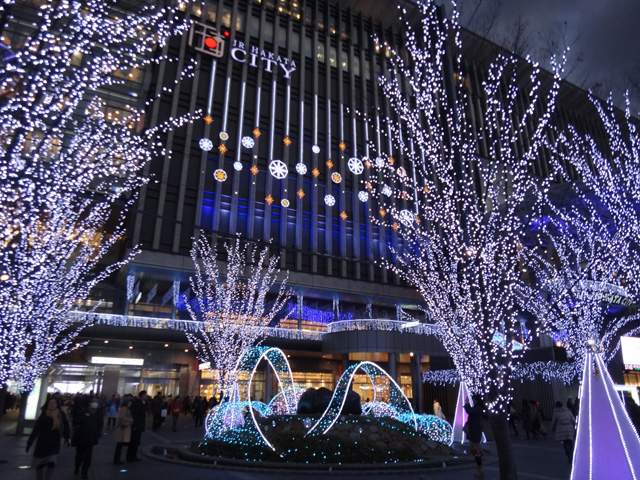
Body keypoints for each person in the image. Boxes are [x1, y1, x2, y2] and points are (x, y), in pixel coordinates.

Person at [26, 397, 71, 480]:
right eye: (50, 403)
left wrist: (67, 438)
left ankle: (47, 478)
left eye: (54, 403)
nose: (52, 405)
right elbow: (36, 429)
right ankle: (39, 478)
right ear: (47, 404)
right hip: (42, 442)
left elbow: (66, 426)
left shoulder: (60, 414)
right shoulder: (44, 414)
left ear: (57, 404)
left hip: (54, 442)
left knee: (52, 462)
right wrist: (30, 442)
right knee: (40, 462)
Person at [72, 396, 103, 479]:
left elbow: (100, 424)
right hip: (81, 436)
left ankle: (84, 471)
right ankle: (77, 467)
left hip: (91, 437)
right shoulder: (83, 411)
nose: (95, 403)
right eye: (94, 401)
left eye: (97, 402)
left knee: (88, 456)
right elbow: (77, 421)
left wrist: (98, 433)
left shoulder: (99, 413)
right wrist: (85, 416)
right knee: (79, 454)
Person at [464, 395, 485, 478]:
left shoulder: (478, 409)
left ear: (476, 400)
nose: (473, 400)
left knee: (477, 452)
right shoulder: (477, 408)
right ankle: (479, 469)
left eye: (473, 399)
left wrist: (466, 404)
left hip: (476, 433)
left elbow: (469, 411)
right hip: (474, 432)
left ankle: (480, 470)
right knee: (476, 452)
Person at [126, 390, 147, 462]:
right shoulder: (138, 403)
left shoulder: (143, 403)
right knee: (133, 441)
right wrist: (134, 425)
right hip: (136, 425)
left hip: (139, 425)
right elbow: (135, 415)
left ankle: (134, 456)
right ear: (142, 396)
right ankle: (129, 457)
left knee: (137, 441)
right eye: (145, 395)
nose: (146, 396)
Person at [113, 396, 133, 464]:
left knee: (120, 445)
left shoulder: (125, 408)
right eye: (130, 402)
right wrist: (131, 420)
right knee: (119, 445)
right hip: (122, 428)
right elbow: (123, 417)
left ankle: (117, 459)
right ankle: (117, 460)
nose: (131, 404)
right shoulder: (124, 408)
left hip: (123, 428)